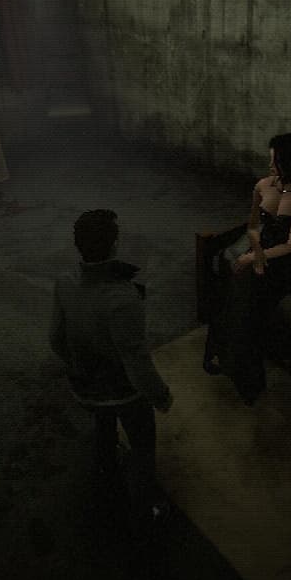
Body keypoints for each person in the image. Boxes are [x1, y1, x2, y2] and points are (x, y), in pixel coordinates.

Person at [49, 209, 174, 528]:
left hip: (85, 386)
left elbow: (56, 338)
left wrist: (78, 367)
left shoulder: (64, 283)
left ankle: (105, 469)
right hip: (123, 392)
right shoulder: (123, 297)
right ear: (114, 244)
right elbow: (135, 359)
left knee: (103, 426)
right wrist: (160, 395)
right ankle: (146, 508)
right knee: (142, 447)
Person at [202, 133, 291, 405]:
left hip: (285, 262)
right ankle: (221, 356)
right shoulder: (263, 185)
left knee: (251, 315)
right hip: (260, 250)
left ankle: (248, 380)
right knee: (231, 300)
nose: (270, 165)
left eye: (274, 160)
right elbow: (253, 226)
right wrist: (252, 253)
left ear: (288, 162)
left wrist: (255, 257)